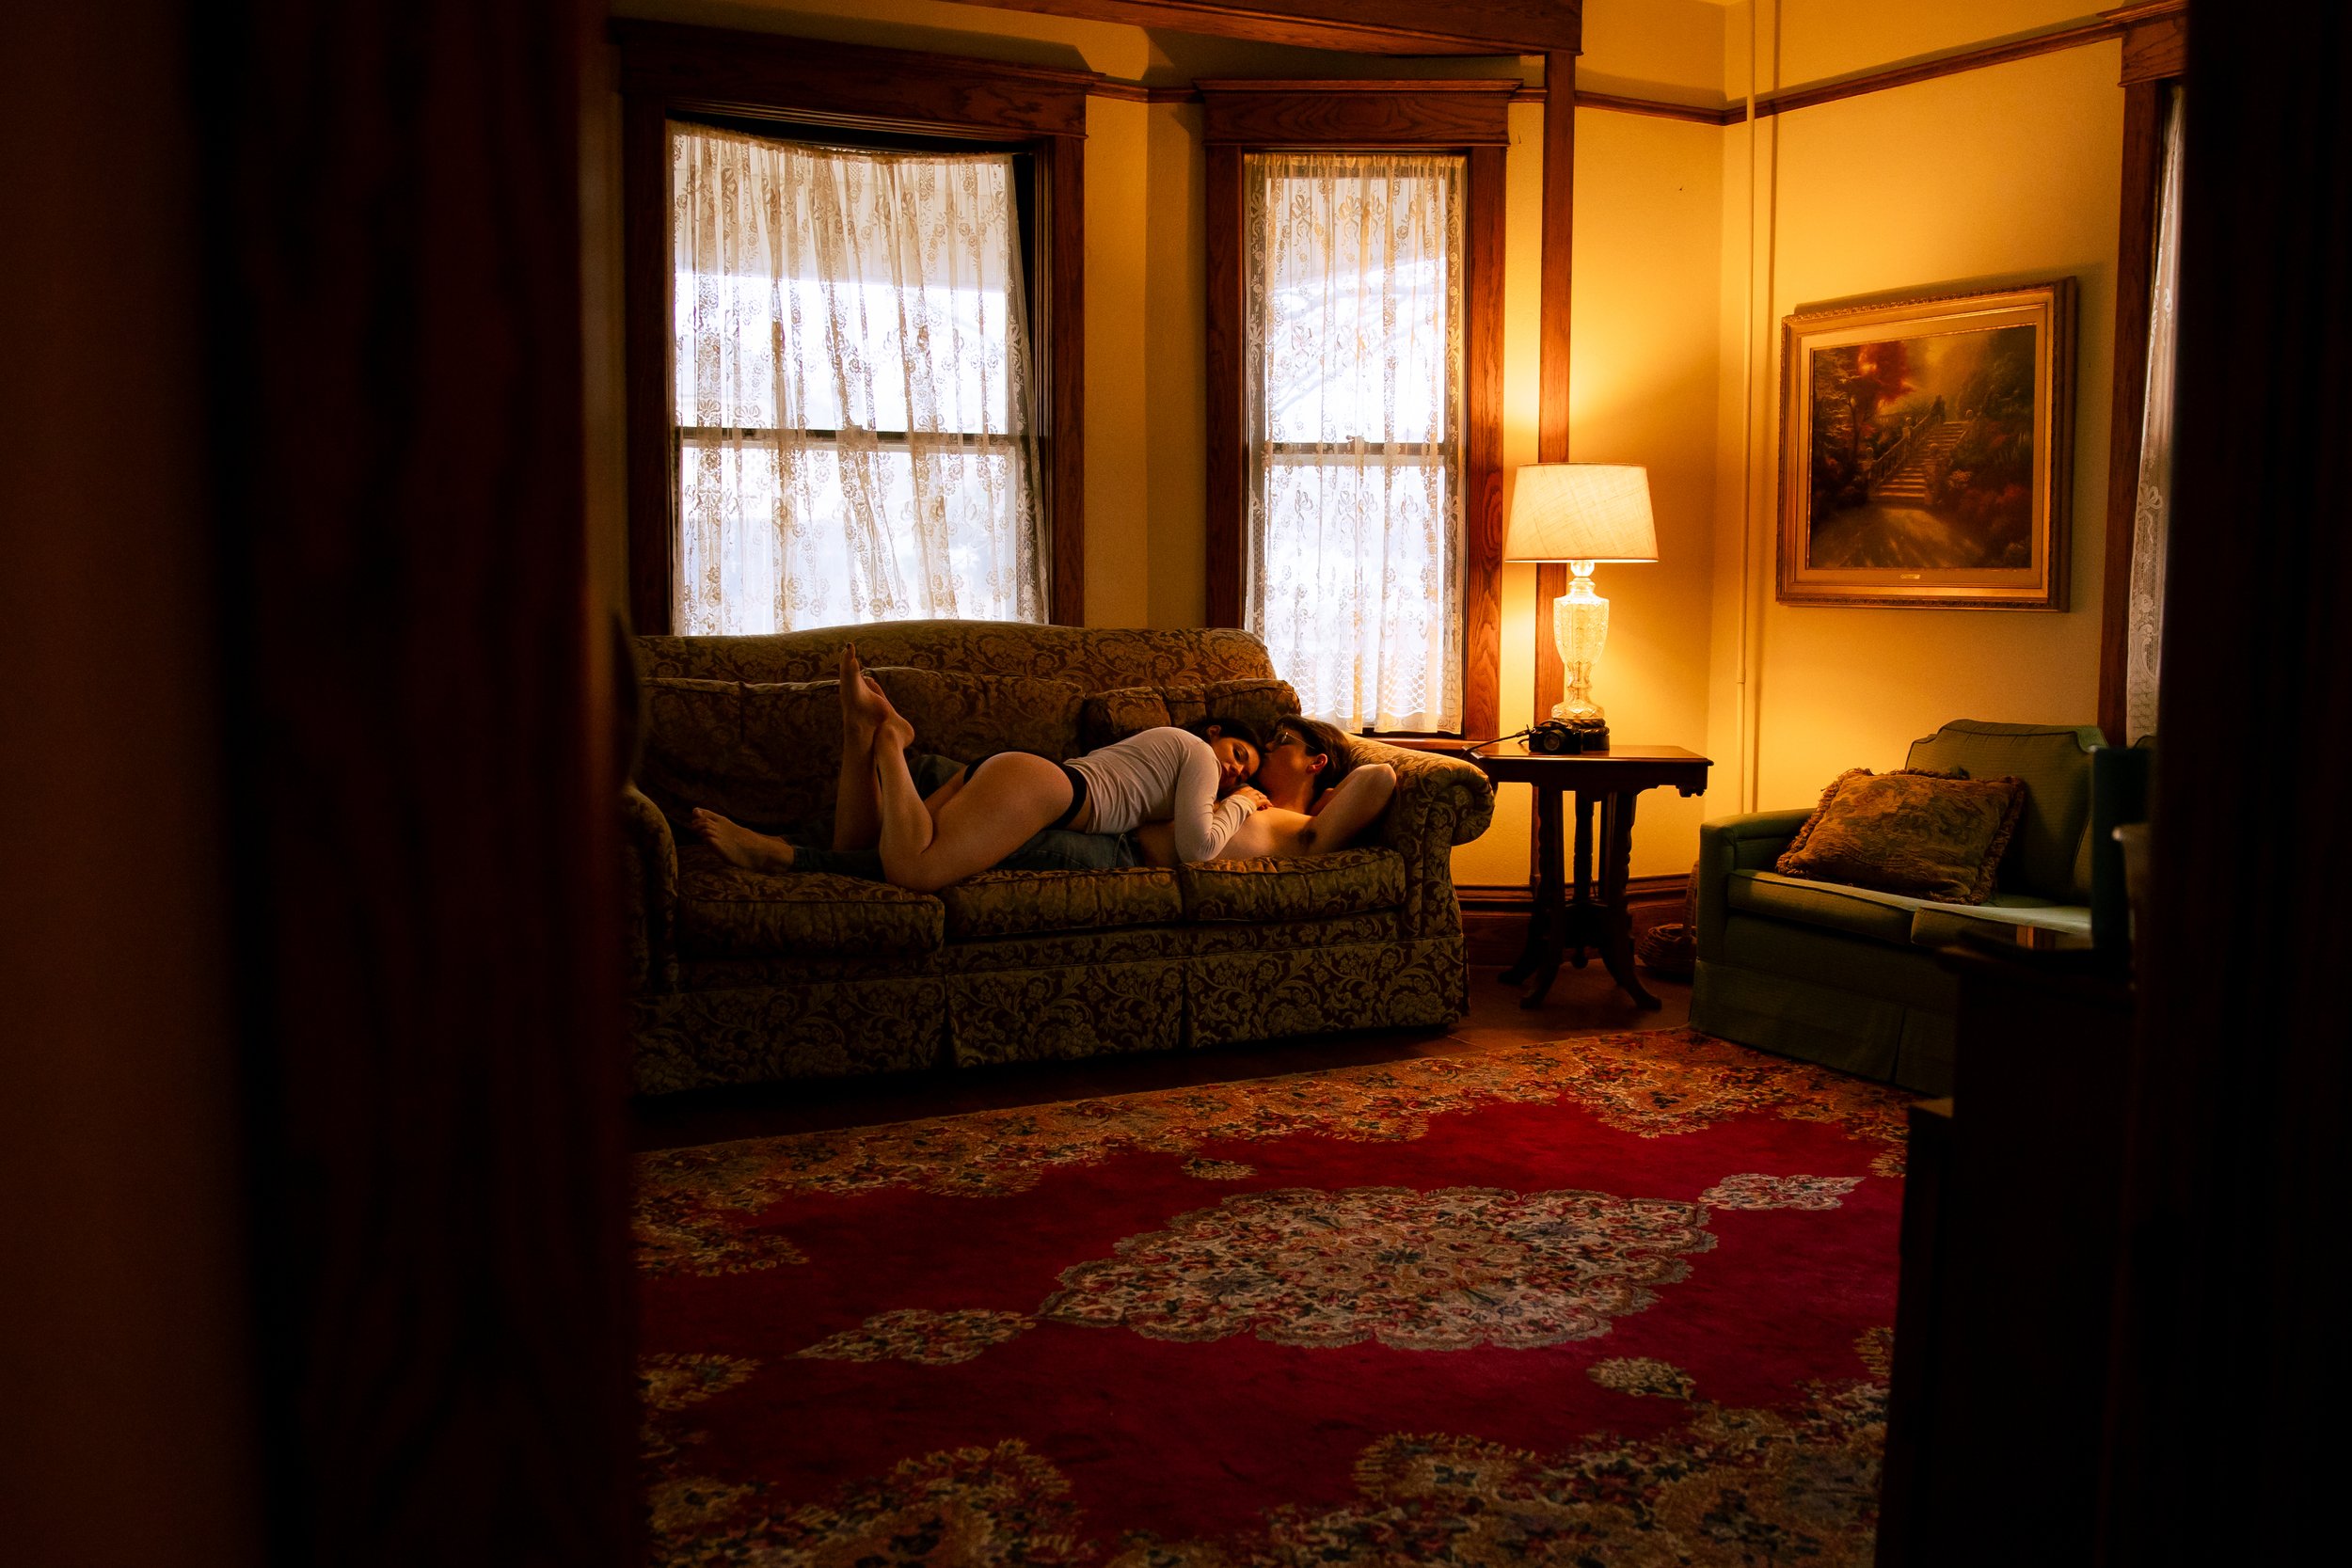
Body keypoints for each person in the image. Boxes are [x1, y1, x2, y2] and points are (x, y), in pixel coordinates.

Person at [691, 644, 1265, 892]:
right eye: (1240, 755)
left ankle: (856, 740)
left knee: (865, 843)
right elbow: (1196, 850)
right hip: (1046, 790)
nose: (1237, 771)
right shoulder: (1197, 756)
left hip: (1028, 778)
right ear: (1214, 733)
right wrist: (1240, 804)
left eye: (1246, 771)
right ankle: (892, 739)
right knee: (912, 873)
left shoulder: (1167, 746)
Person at [1135, 716, 1395, 865]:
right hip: (1118, 830)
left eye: (1282, 739)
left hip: (1128, 859)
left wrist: (1327, 799)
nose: (1267, 745)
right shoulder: (1231, 787)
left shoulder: (1309, 830)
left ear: (1316, 762)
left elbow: (1379, 775)